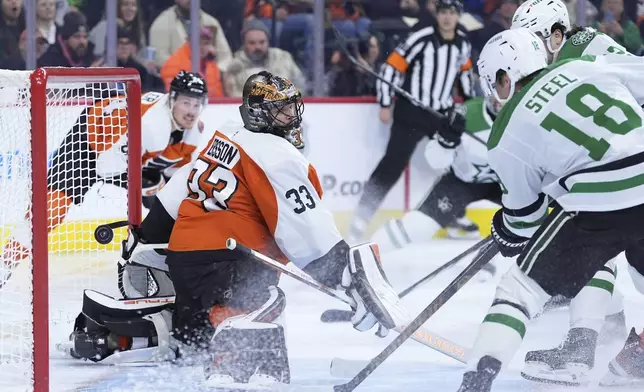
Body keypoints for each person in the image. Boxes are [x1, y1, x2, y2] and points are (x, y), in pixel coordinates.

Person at [64, 71, 401, 387]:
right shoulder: (277, 154)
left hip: (183, 261)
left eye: (291, 107)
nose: (292, 116)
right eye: (281, 110)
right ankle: (236, 366)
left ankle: (115, 334)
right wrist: (345, 274)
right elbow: (306, 229)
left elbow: (181, 185)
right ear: (258, 113)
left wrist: (149, 235)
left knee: (193, 337)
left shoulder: (226, 133)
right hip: (227, 259)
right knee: (264, 302)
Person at [457, 27, 644, 391]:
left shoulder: (505, 131)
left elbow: (524, 220)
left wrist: (504, 230)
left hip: (599, 201)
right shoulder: (588, 65)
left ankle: (475, 381)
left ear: (503, 77)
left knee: (520, 289)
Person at [510, 0, 644, 384]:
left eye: (534, 39)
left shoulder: (586, 49)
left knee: (589, 242)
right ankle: (605, 326)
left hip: (629, 169)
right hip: (623, 171)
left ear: (556, 34)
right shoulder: (555, 61)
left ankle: (583, 344)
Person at [0, 71, 208, 287]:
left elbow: (176, 178)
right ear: (172, 99)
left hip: (127, 155)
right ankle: (5, 262)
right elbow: (106, 167)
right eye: (186, 103)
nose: (192, 112)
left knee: (172, 202)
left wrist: (157, 187)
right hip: (89, 143)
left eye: (196, 104)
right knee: (51, 209)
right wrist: (147, 182)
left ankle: (175, 260)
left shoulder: (193, 130)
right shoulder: (151, 126)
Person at [346, 0, 474, 243]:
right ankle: (360, 218)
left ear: (459, 16)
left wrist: (469, 109)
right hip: (411, 111)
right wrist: (385, 103)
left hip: (440, 114)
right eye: (443, 12)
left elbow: (465, 77)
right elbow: (391, 68)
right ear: (437, 14)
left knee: (456, 163)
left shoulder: (463, 44)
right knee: (392, 166)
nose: (447, 18)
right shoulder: (422, 38)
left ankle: (454, 214)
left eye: (452, 13)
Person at [370, 95, 503, 252]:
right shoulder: (466, 113)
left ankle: (507, 268)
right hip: (462, 182)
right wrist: (445, 143)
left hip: (508, 183)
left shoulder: (528, 117)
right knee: (419, 226)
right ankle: (364, 254)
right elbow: (436, 161)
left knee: (535, 221)